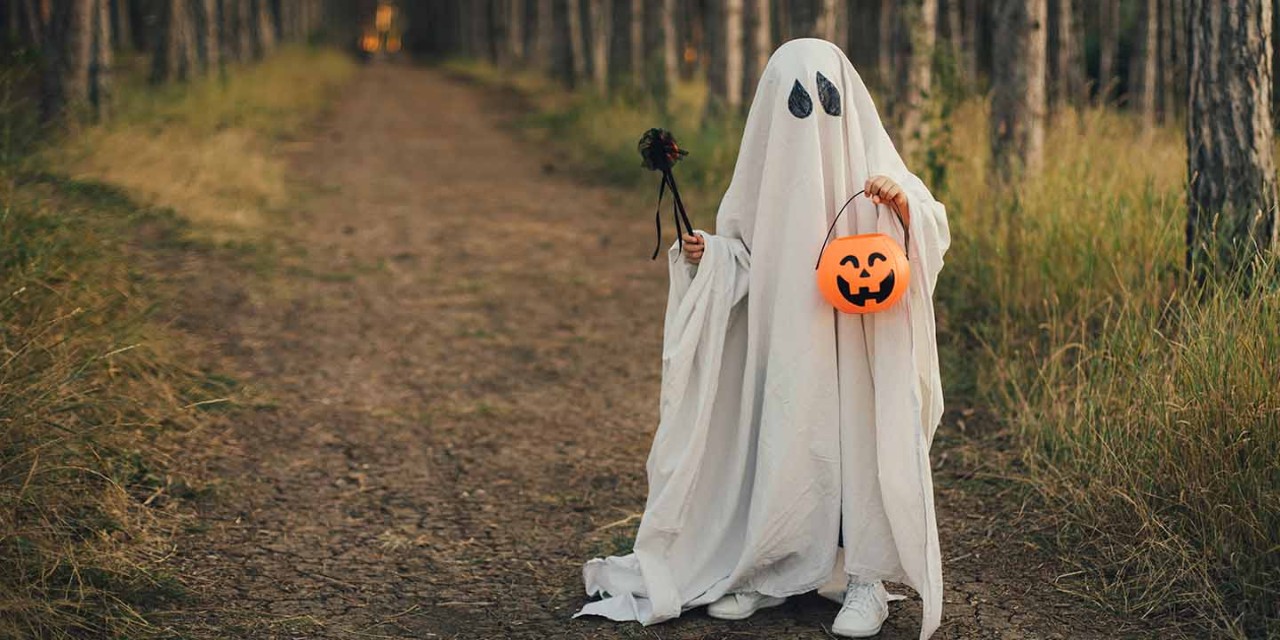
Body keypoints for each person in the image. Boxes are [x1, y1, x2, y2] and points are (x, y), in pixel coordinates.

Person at [576, 39, 951, 640]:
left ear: (848, 101)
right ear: (773, 108)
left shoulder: (874, 167)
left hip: (859, 344)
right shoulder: (766, 176)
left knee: (857, 443)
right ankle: (770, 564)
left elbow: (932, 228)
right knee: (785, 435)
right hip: (788, 341)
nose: (814, 119)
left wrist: (903, 207)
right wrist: (713, 256)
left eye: (826, 100)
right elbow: (745, 254)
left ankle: (865, 578)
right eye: (798, 104)